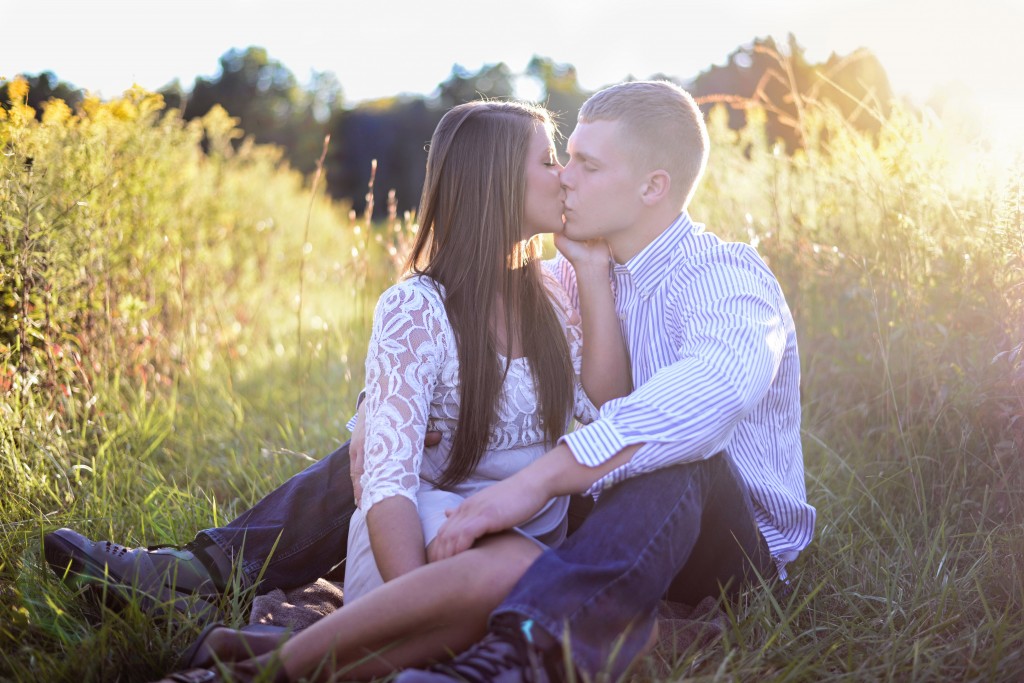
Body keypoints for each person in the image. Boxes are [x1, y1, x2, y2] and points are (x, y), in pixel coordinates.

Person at [392, 79, 815, 682]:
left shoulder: (726, 279)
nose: (564, 177)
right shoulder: (576, 272)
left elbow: (713, 391)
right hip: (614, 526)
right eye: (567, 159)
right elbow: (458, 344)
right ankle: (247, 560)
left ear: (653, 187)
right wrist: (382, 412)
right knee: (404, 443)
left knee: (678, 454)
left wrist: (539, 480)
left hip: (730, 552)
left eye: (588, 166)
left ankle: (521, 656)